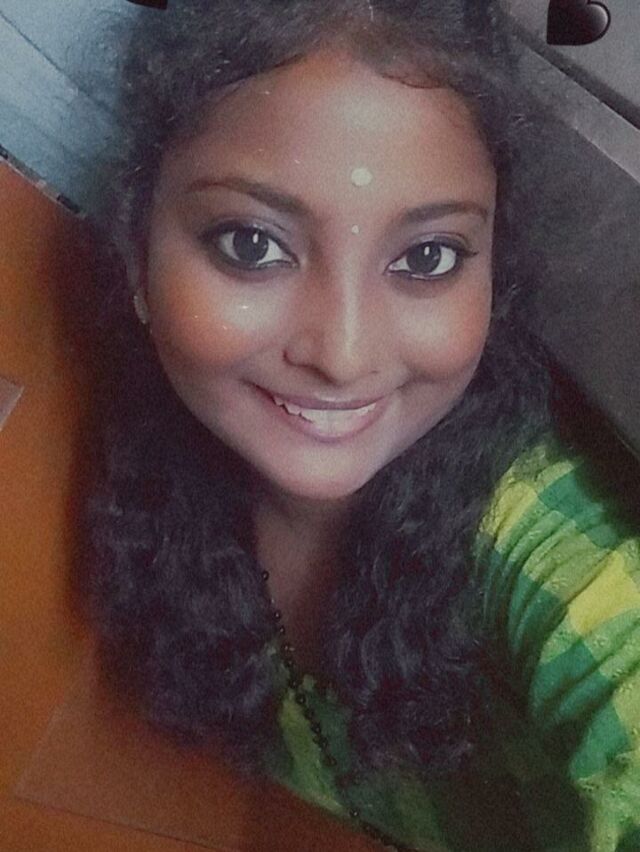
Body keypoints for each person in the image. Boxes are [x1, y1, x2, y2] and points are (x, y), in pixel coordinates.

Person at [78, 1, 640, 849]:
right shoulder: (160, 484)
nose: (343, 354)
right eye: (250, 245)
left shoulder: (543, 544)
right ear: (137, 257)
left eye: (427, 257)